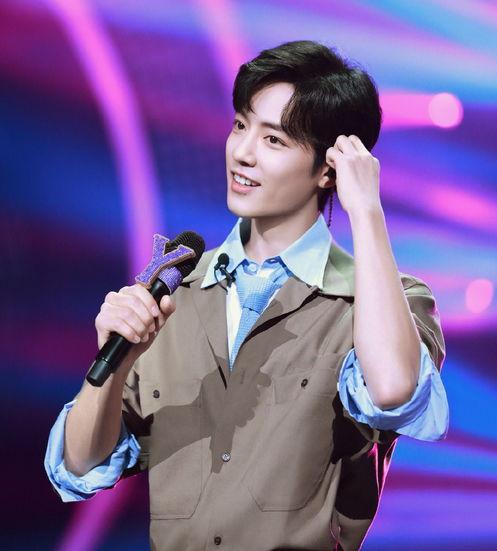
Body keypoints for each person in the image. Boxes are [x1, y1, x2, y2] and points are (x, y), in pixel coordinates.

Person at [45, 40, 449, 551]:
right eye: (240, 125)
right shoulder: (174, 289)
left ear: (329, 168)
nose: (242, 152)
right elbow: (80, 466)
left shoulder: (382, 303)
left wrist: (366, 209)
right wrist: (117, 362)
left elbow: (392, 390)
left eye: (274, 139)